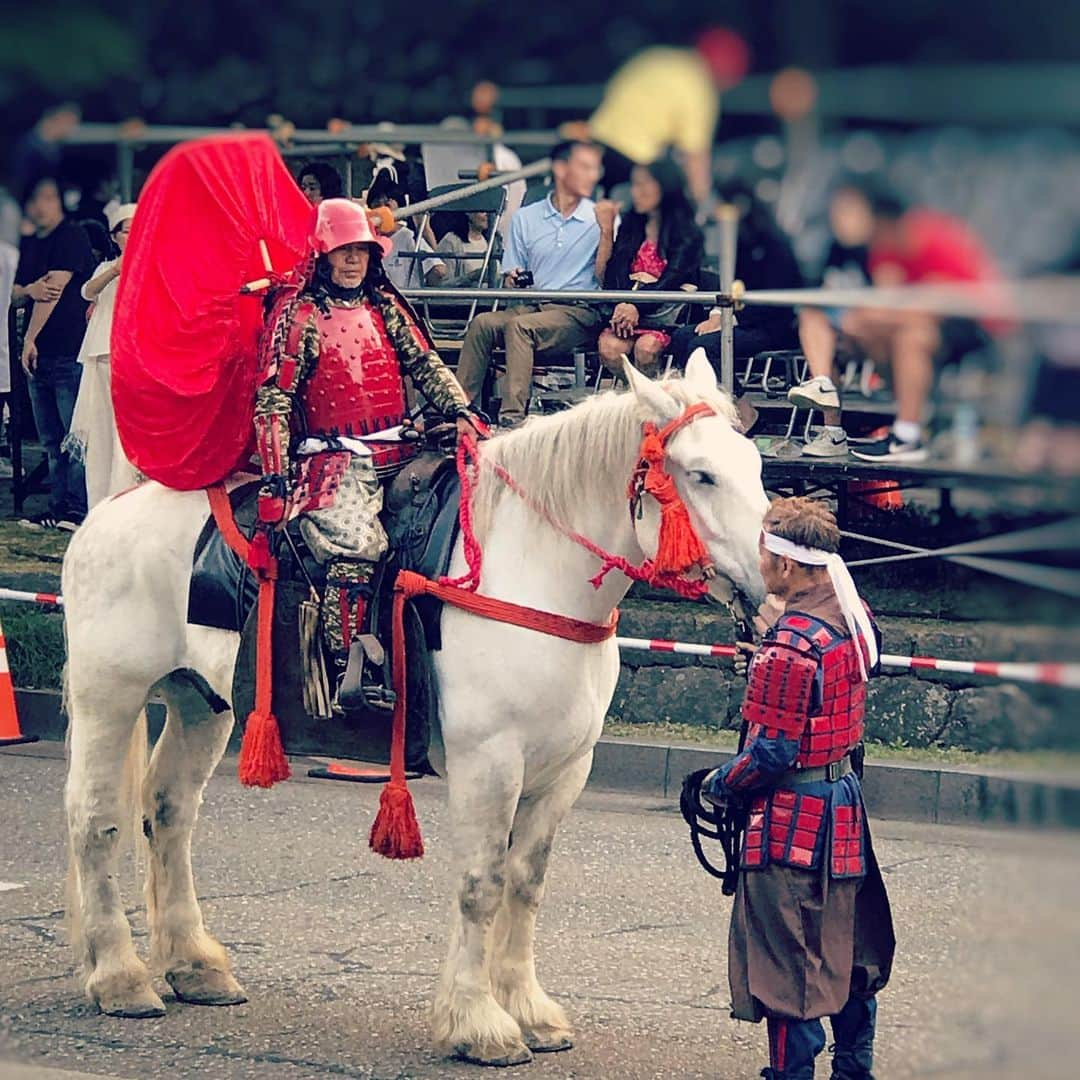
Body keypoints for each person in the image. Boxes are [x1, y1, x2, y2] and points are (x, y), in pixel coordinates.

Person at [255, 198, 482, 708]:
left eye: (361, 249)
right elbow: (274, 398)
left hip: (402, 448)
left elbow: (424, 362)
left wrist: (461, 409)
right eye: (343, 251)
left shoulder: (384, 304)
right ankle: (349, 672)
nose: (353, 260)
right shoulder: (299, 314)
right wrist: (274, 473)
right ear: (323, 254)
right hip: (332, 462)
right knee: (357, 549)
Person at [697, 496, 894, 1080]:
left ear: (785, 567)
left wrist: (714, 785)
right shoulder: (851, 614)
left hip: (791, 817)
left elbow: (770, 754)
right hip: (842, 803)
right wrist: (768, 655)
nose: (757, 561)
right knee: (847, 949)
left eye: (762, 552)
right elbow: (824, 688)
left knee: (790, 970)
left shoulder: (790, 643)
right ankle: (854, 1069)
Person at [787, 190, 1002, 462]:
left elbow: (939, 304)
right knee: (869, 329)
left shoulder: (937, 239)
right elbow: (889, 301)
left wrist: (872, 315)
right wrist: (866, 319)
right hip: (921, 320)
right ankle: (838, 401)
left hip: (969, 322)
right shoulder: (883, 249)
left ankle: (908, 436)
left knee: (912, 336)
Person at [455, 140, 616, 427]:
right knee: (482, 323)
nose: (594, 175)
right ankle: (459, 412)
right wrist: (512, 279)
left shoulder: (601, 217)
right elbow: (510, 278)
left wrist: (606, 232)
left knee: (520, 328)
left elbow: (608, 280)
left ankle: (511, 421)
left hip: (579, 310)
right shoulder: (525, 218)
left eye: (596, 168)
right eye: (586, 167)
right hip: (533, 303)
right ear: (560, 169)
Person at [669, 179, 802, 432]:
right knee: (682, 336)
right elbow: (729, 284)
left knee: (704, 347)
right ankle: (697, 409)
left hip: (773, 323)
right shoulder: (739, 243)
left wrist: (729, 319)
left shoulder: (773, 244)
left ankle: (744, 411)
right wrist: (719, 314)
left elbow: (776, 301)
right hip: (741, 317)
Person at [582, 28, 750, 212]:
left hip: (592, 143)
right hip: (633, 157)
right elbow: (695, 157)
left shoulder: (659, 57)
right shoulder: (699, 86)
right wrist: (707, 205)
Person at [11, 177, 94, 530]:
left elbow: (53, 291)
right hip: (40, 357)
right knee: (48, 439)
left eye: (48, 197)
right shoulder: (31, 244)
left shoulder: (71, 235)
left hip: (66, 349)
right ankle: (58, 507)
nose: (40, 205)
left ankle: (78, 509)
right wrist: (29, 288)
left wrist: (29, 337)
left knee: (72, 436)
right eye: (36, 199)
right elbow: (15, 292)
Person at [787, 182, 874, 458]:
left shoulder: (879, 249)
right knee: (812, 315)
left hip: (880, 332)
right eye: (837, 213)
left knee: (825, 331)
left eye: (849, 212)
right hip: (842, 334)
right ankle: (832, 427)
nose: (842, 220)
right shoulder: (832, 251)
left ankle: (824, 386)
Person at [63, 202, 140, 508]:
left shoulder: (154, 266)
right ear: (114, 236)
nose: (132, 235)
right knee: (101, 430)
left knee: (127, 433)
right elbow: (87, 291)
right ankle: (100, 503)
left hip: (134, 358)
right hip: (102, 356)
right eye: (126, 230)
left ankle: (127, 502)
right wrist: (114, 270)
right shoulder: (106, 267)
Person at [596, 157, 702, 375]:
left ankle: (653, 401)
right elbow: (616, 271)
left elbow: (672, 279)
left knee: (646, 348)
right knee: (610, 348)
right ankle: (634, 399)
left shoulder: (687, 231)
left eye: (645, 184)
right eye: (635, 184)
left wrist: (636, 306)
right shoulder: (631, 224)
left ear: (666, 186)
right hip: (628, 313)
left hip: (664, 314)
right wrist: (624, 303)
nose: (637, 192)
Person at [369, 185, 447, 289]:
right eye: (377, 206)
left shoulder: (409, 236)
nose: (382, 211)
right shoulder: (367, 238)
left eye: (387, 206)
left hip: (407, 300)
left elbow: (439, 270)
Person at [433, 210, 502, 288]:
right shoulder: (451, 241)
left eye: (490, 212)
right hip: (465, 299)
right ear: (469, 213)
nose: (487, 215)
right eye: (483, 211)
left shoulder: (494, 240)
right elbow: (442, 285)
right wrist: (471, 277)